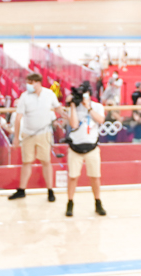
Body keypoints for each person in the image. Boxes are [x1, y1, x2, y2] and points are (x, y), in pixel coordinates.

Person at [7, 70, 61, 202]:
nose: (28, 85)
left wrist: (66, 117)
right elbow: (18, 118)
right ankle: (21, 190)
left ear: (37, 83)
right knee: (27, 162)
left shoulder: (49, 94)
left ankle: (50, 190)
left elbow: (58, 108)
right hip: (28, 135)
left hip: (44, 134)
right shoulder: (24, 96)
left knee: (46, 162)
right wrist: (16, 137)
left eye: (30, 83)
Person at [63, 84, 107, 218]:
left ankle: (98, 202)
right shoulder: (74, 107)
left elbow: (101, 120)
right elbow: (74, 125)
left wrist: (88, 107)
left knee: (95, 177)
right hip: (75, 147)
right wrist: (72, 105)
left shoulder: (97, 106)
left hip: (92, 147)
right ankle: (70, 203)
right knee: (73, 177)